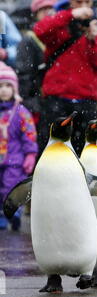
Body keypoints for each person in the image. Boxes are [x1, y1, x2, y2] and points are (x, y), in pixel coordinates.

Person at [33, 0, 97, 156]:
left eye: (87, 2)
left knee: (84, 153)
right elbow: (39, 30)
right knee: (50, 152)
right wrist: (71, 14)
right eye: (78, 1)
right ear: (70, 0)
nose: (83, 6)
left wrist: (93, 40)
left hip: (85, 99)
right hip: (56, 97)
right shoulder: (61, 20)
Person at [16, 0, 58, 145]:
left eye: (51, 8)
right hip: (38, 102)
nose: (48, 12)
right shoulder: (29, 40)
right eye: (43, 9)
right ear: (35, 14)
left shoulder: (61, 37)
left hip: (57, 100)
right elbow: (24, 75)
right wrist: (30, 102)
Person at [0, 62, 38, 231]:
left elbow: (29, 136)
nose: (4, 90)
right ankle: (2, 215)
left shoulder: (21, 112)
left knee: (11, 188)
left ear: (14, 88)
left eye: (8, 86)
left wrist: (30, 155)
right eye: (0, 86)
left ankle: (12, 213)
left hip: (15, 160)